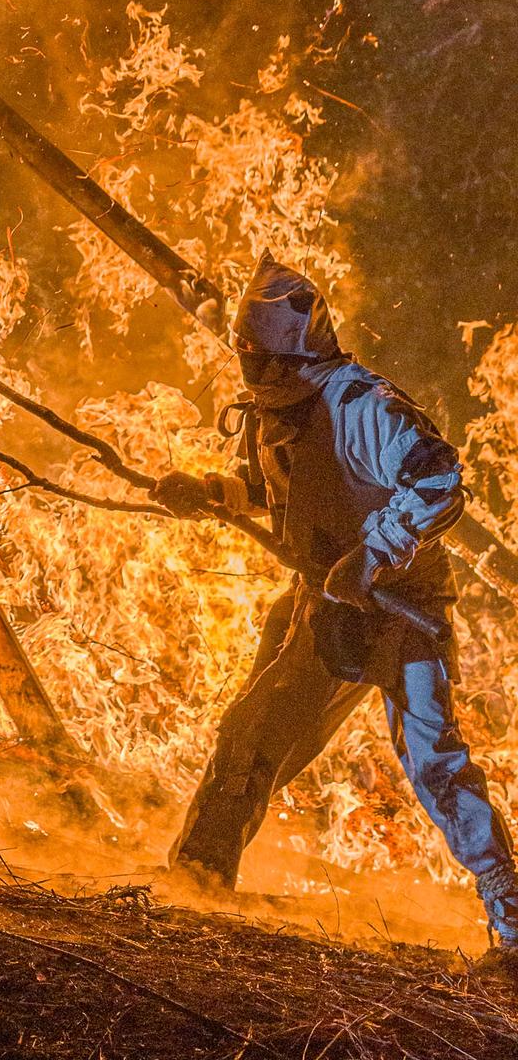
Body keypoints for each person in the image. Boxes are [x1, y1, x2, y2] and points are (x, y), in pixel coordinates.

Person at [155, 252, 518, 966]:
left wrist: (374, 551)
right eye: (247, 358)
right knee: (252, 734)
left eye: (264, 361)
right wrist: (211, 491)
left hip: (399, 612)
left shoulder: (361, 404)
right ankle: (193, 893)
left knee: (435, 764)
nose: (254, 374)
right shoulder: (277, 408)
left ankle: (514, 925)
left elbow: (441, 479)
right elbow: (281, 491)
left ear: (299, 351)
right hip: (324, 604)